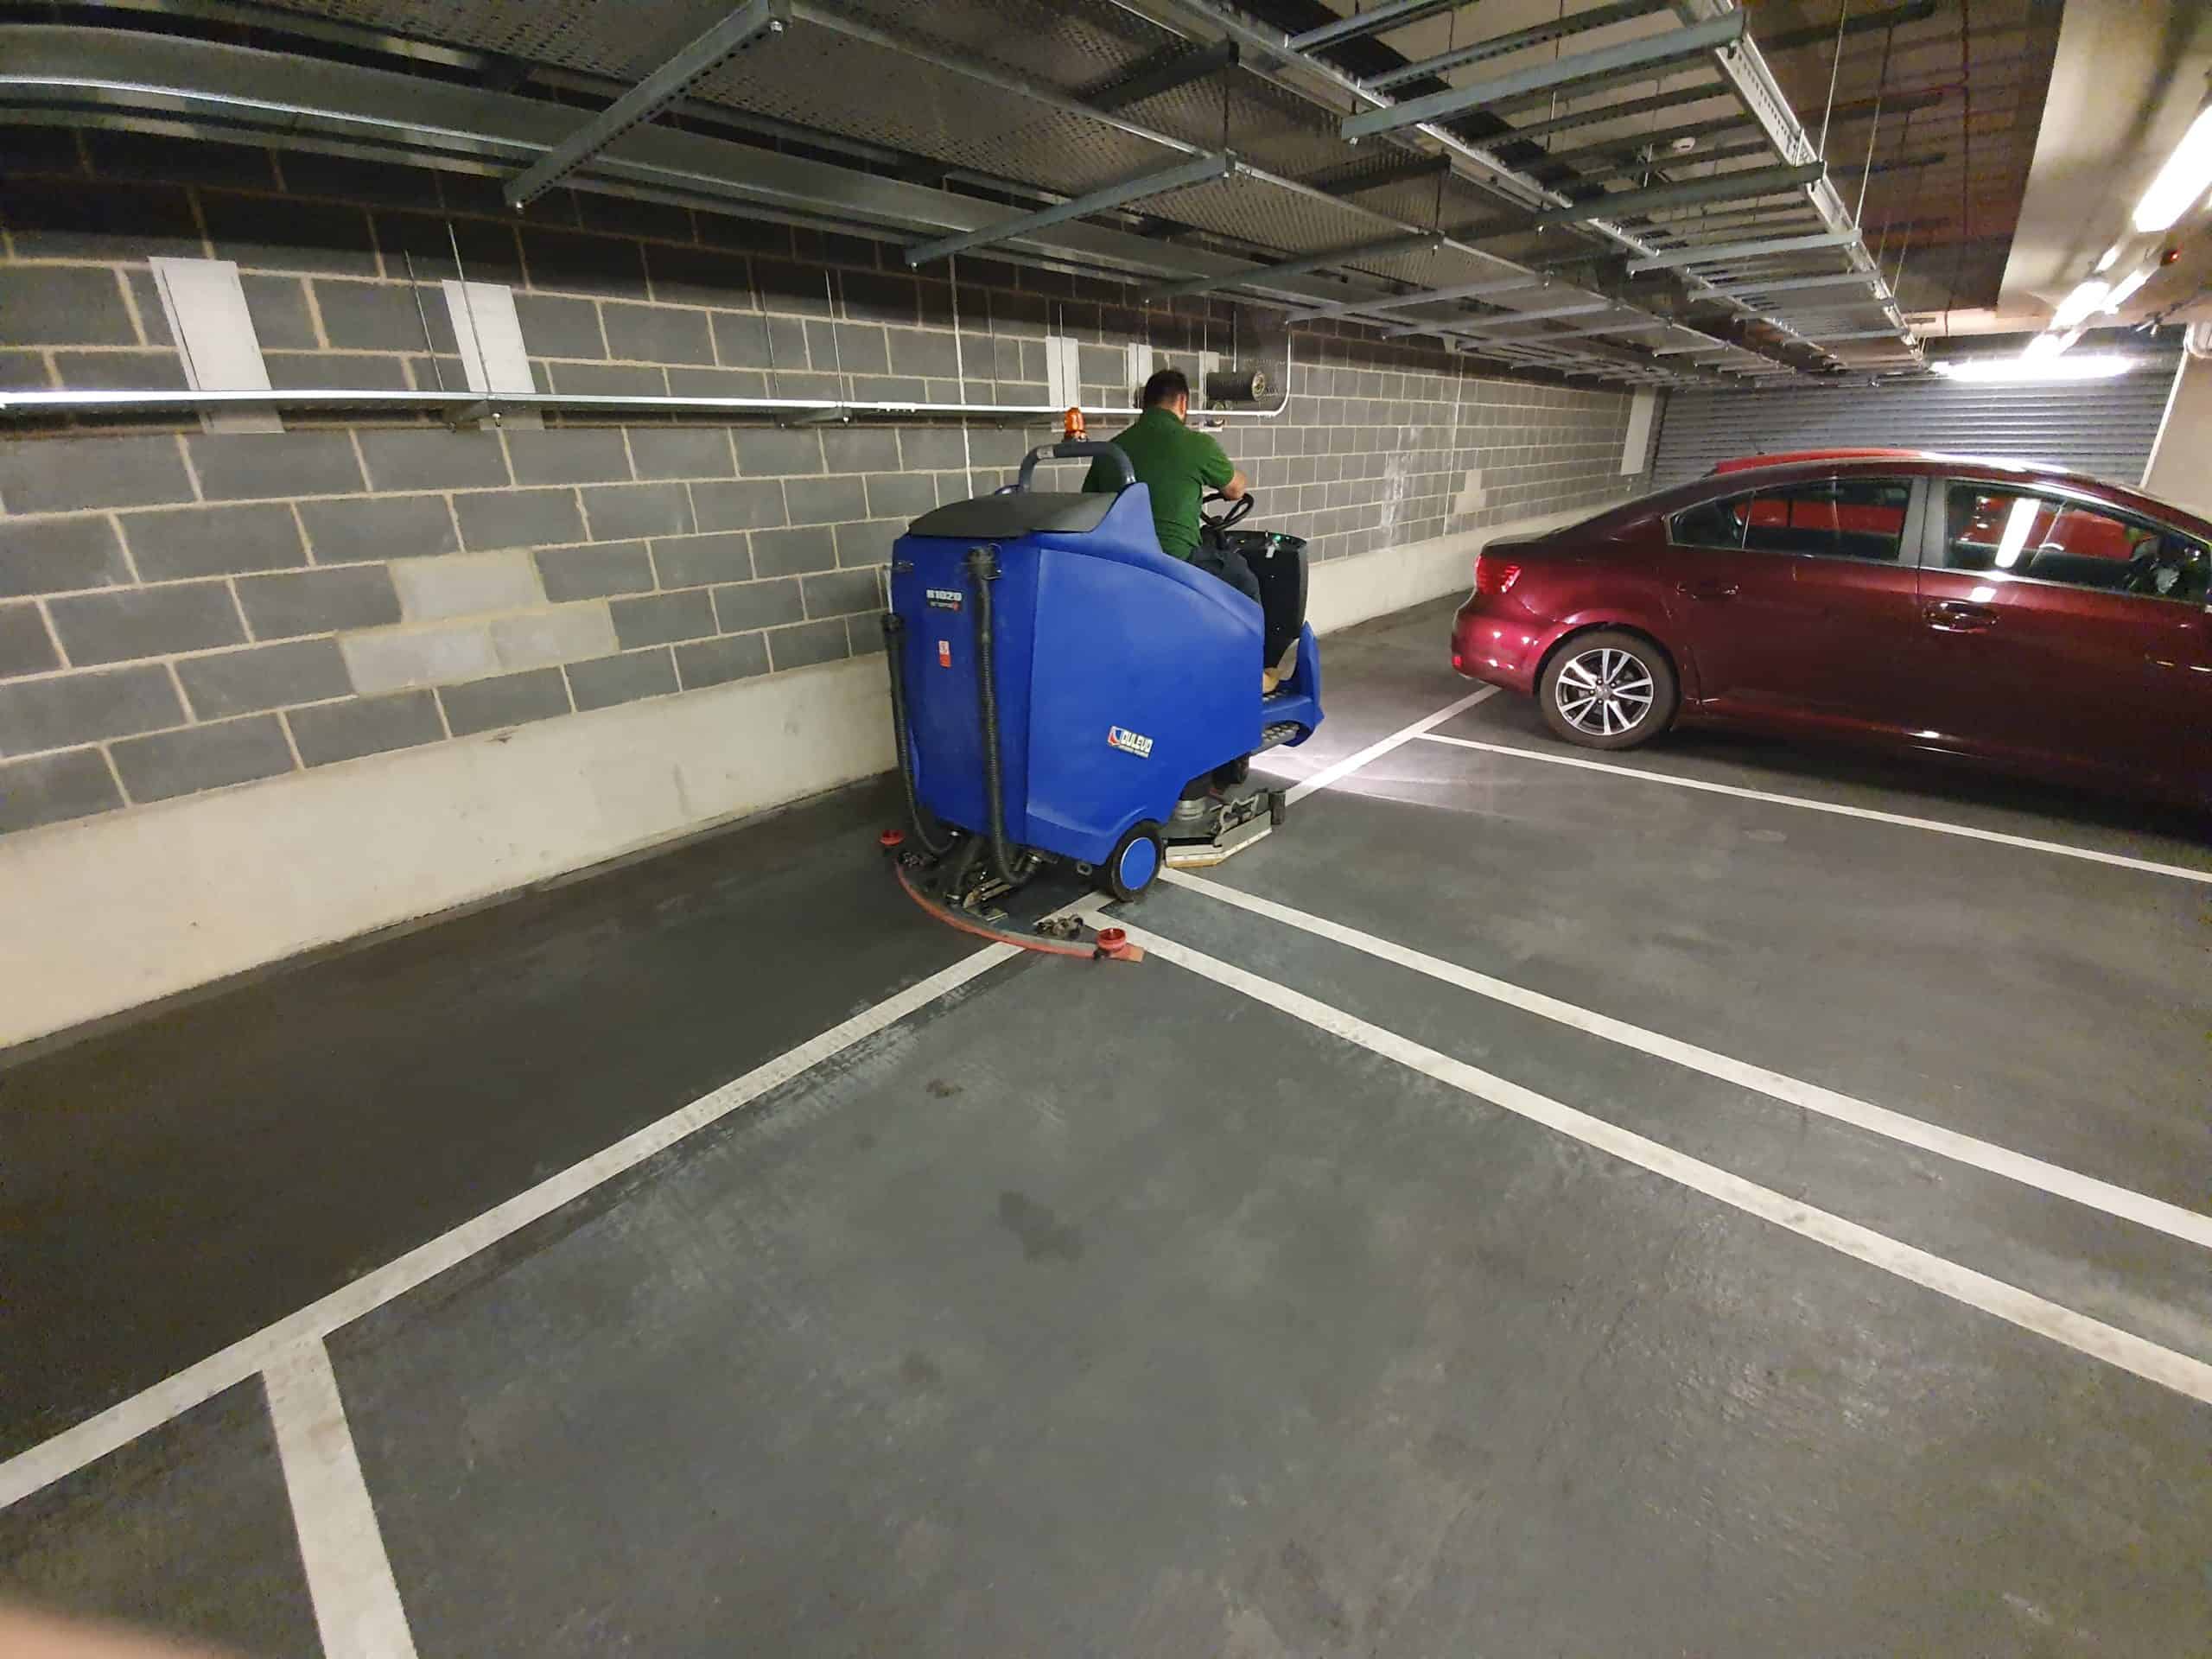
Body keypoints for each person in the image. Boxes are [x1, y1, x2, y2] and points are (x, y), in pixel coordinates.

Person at [1083, 368, 1258, 602]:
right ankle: (1260, 639)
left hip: (1123, 564)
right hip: (1177, 563)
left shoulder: (1111, 450)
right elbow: (1236, 490)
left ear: (1145, 405)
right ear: (1183, 401)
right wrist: (1241, 478)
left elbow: (1086, 510)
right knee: (1243, 578)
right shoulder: (1198, 445)